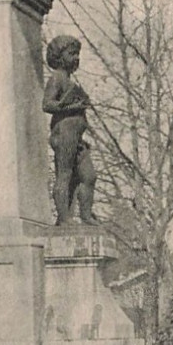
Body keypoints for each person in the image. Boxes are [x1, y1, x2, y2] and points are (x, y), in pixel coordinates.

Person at [42, 36, 96, 227]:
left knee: (89, 176)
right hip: (64, 135)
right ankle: (64, 218)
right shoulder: (57, 78)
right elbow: (47, 104)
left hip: (77, 138)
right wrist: (71, 107)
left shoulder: (68, 80)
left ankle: (86, 215)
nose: (76, 58)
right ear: (59, 56)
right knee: (64, 175)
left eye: (77, 55)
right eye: (71, 54)